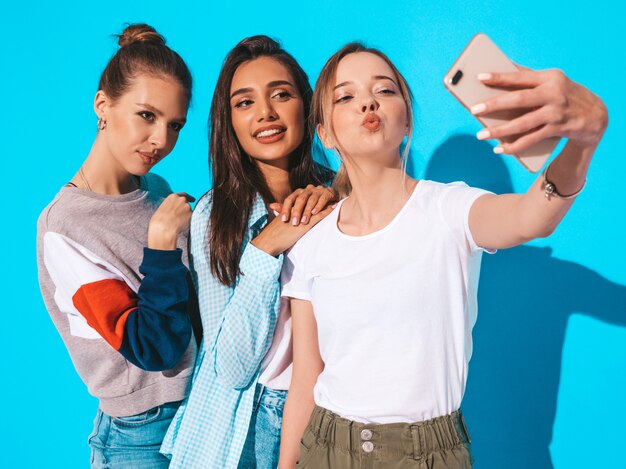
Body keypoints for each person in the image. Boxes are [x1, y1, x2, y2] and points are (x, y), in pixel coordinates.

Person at [279, 43, 608, 468]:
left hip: (425, 454)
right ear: (325, 133)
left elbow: (531, 218)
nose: (368, 101)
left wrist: (584, 141)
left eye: (385, 90)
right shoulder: (311, 240)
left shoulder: (448, 209)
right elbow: (306, 377)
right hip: (324, 448)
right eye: (345, 96)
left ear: (407, 118)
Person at [161, 36, 335, 468]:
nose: (266, 113)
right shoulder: (215, 216)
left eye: (281, 94)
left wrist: (334, 200)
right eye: (245, 103)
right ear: (230, 122)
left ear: (306, 106)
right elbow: (234, 367)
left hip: (332, 412)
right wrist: (266, 245)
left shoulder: (340, 198)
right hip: (244, 424)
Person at [36, 24, 201, 468]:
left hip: (200, 412)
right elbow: (152, 347)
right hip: (140, 436)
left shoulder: (156, 190)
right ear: (102, 105)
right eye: (146, 116)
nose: (161, 140)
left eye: (175, 125)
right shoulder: (64, 226)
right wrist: (163, 249)